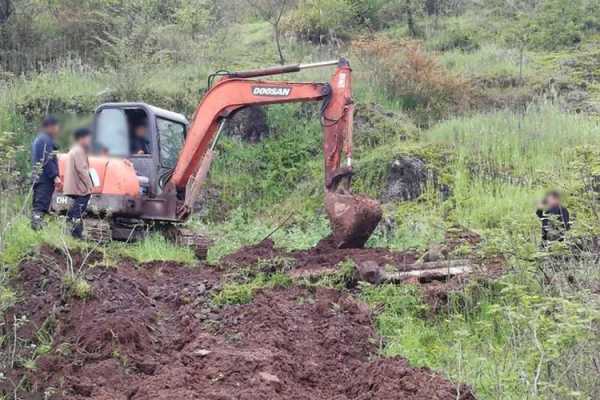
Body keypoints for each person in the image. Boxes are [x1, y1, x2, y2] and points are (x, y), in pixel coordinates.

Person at [31, 116, 61, 230]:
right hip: (44, 179)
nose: (58, 129)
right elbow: (47, 160)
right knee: (40, 206)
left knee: (39, 204)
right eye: (56, 127)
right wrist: (55, 176)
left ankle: (37, 228)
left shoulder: (39, 139)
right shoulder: (45, 140)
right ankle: (36, 229)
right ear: (50, 127)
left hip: (39, 178)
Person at [63, 127, 94, 239]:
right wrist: (89, 186)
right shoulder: (79, 150)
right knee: (79, 210)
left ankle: (70, 229)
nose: (90, 140)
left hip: (73, 185)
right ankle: (76, 234)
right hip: (79, 187)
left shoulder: (74, 149)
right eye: (88, 137)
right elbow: (82, 169)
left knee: (75, 209)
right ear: (82, 138)